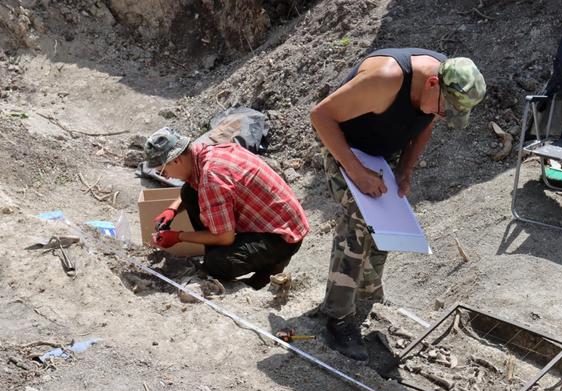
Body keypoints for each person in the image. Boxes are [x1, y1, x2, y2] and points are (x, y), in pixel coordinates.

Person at [310, 48, 486, 361]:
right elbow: (320, 116)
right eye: (446, 110)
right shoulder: (386, 79)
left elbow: (425, 124)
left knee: (387, 218)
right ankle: (337, 318)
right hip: (345, 148)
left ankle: (364, 295)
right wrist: (356, 171)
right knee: (359, 219)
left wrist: (405, 170)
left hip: (380, 154)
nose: (443, 116)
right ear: (432, 83)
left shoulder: (446, 82)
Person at [143, 128, 310, 289]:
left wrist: (178, 237)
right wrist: (172, 209)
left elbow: (225, 238)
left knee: (217, 263)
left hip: (282, 236)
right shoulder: (204, 153)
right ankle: (222, 252)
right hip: (274, 219)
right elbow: (194, 187)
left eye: (162, 171)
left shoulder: (212, 178)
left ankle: (269, 265)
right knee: (188, 193)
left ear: (176, 160)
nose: (166, 176)